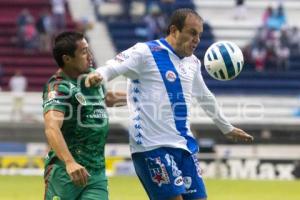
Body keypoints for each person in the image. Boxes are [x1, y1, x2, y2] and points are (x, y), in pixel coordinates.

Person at [86, 8, 254, 200]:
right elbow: (112, 66)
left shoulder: (193, 63)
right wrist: (98, 75)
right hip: (151, 146)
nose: (197, 40)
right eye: (192, 33)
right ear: (174, 30)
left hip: (183, 147)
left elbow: (205, 96)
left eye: (199, 34)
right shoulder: (145, 52)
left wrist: (226, 127)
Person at [42, 31, 126, 200]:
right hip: (65, 173)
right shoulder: (59, 87)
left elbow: (107, 97)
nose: (90, 56)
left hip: (96, 173)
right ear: (67, 59)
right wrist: (70, 162)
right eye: (83, 51)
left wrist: (141, 96)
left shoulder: (92, 76)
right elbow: (51, 128)